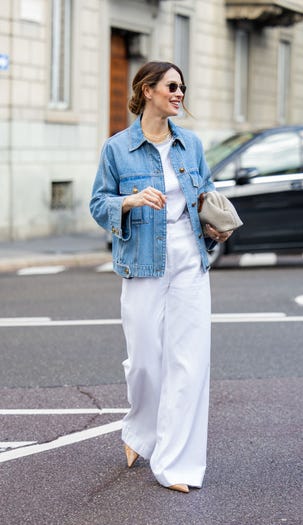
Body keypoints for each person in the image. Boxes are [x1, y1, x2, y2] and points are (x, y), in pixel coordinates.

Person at [90, 61, 232, 493]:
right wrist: (129, 201)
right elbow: (99, 204)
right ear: (147, 90)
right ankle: (139, 432)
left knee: (189, 364)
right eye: (172, 86)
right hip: (143, 264)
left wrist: (215, 223)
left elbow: (206, 192)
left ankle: (178, 465)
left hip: (191, 259)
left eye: (182, 87)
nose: (179, 93)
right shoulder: (117, 148)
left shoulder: (190, 144)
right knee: (146, 363)